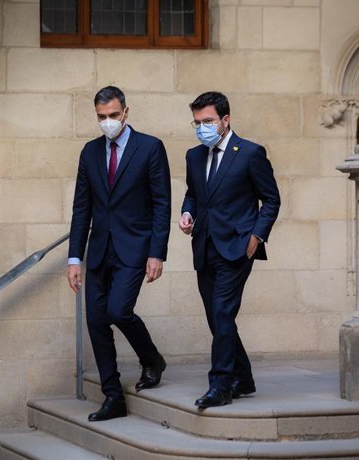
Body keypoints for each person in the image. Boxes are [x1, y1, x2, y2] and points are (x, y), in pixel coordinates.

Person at [67, 86, 171, 421]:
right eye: (101, 117)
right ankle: (113, 396)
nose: (107, 122)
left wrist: (157, 253)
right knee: (96, 321)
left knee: (118, 310)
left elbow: (161, 205)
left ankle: (151, 359)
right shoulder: (90, 152)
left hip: (135, 248)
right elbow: (81, 208)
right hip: (99, 250)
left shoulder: (150, 148)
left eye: (113, 115)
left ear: (125, 112)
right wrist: (74, 258)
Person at [179, 91, 280, 408]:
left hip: (237, 248)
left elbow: (272, 200)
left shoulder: (250, 153)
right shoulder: (194, 156)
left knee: (223, 313)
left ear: (225, 120)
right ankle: (245, 378)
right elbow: (193, 195)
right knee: (216, 318)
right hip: (204, 246)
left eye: (207, 121)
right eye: (197, 122)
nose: (201, 128)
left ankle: (220, 385)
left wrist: (256, 238)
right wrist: (187, 213)